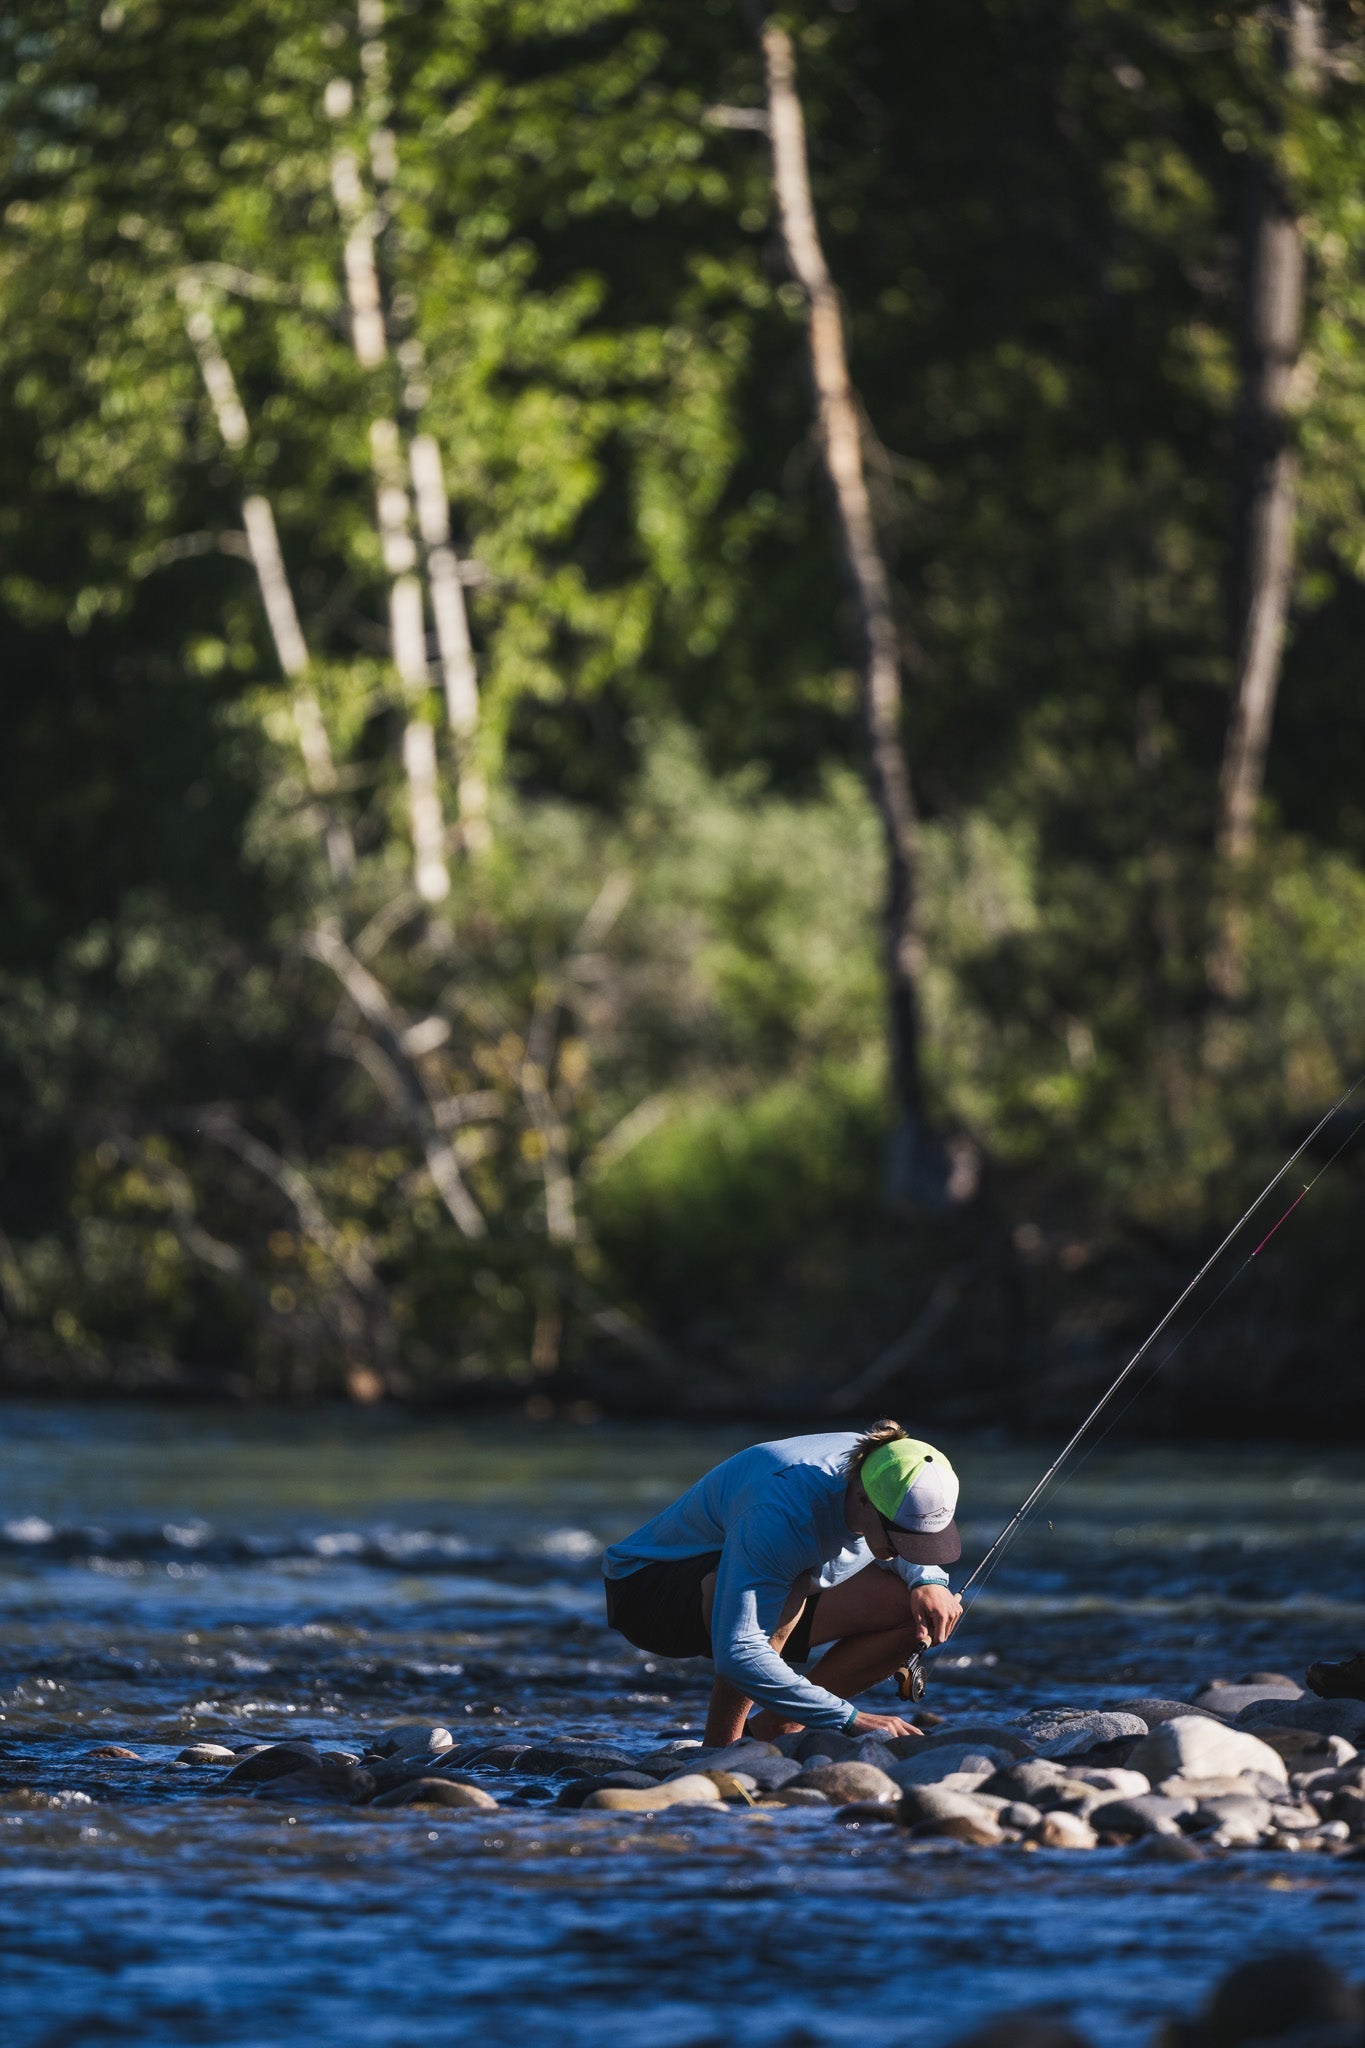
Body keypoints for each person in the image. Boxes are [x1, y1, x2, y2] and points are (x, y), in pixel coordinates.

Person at [602, 1420, 964, 1745]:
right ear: (862, 1500)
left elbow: (909, 1536)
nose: (911, 1550)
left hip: (760, 1569)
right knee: (787, 1587)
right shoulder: (781, 1516)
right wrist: (849, 1719)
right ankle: (720, 1752)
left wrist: (928, 1579)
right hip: (649, 1593)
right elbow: (740, 1653)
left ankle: (776, 1726)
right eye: (901, 1539)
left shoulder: (892, 1467)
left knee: (915, 1611)